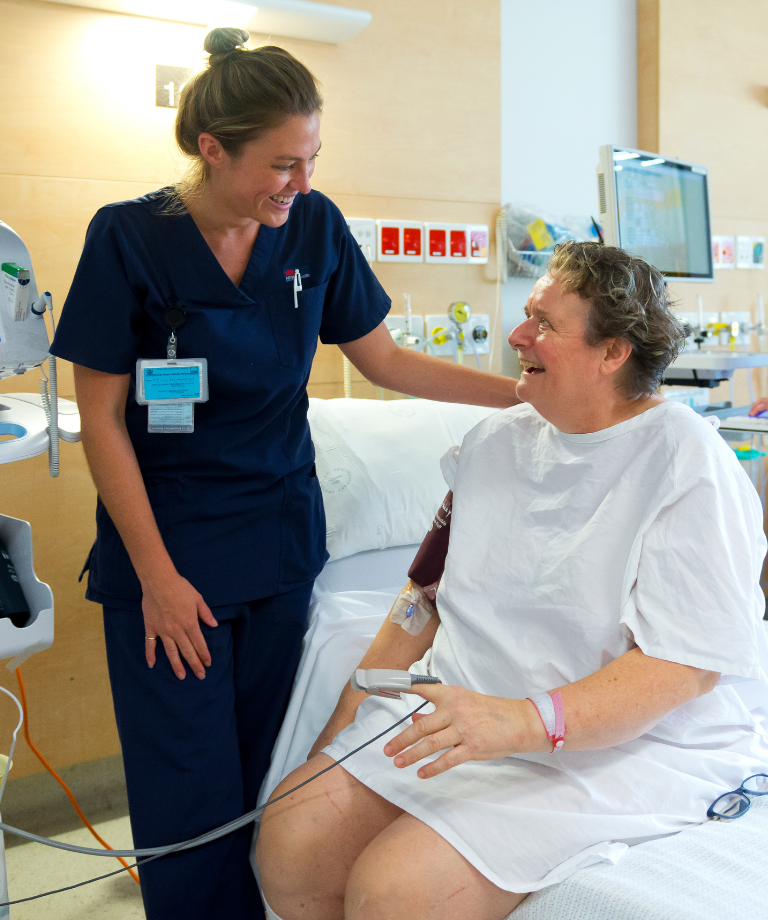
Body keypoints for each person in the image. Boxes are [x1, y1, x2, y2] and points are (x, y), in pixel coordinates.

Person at [49, 27, 520, 920]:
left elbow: (385, 361)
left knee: (272, 773)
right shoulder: (128, 240)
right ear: (210, 147)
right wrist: (155, 579)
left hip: (277, 549)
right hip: (171, 557)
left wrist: (530, 399)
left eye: (310, 160)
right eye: (280, 165)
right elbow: (103, 422)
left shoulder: (313, 226)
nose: (299, 185)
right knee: (187, 793)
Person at [256, 241, 768, 920]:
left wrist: (524, 721)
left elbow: (685, 667)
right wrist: (336, 737)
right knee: (291, 844)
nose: (516, 335)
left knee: (395, 893)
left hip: (618, 745)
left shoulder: (683, 459)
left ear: (613, 352)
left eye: (545, 325)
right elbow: (423, 597)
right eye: (527, 314)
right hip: (470, 720)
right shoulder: (494, 442)